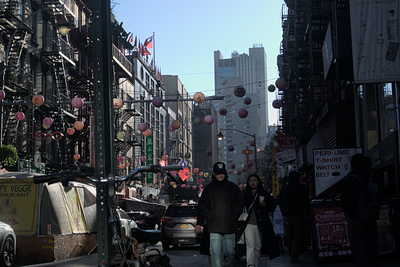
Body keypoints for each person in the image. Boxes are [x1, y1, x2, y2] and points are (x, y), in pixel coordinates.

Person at [195, 162, 244, 267]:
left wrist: (233, 216)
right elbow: (202, 206)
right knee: (215, 253)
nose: (220, 175)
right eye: (218, 173)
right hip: (214, 226)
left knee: (230, 253)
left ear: (225, 173)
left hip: (230, 226)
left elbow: (239, 204)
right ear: (213, 173)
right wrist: (201, 223)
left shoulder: (233, 188)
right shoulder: (208, 189)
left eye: (222, 173)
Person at [341, 153, 381, 267]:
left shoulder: (350, 179)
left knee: (359, 246)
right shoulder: (372, 177)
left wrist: (351, 213)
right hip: (372, 216)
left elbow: (345, 201)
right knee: (372, 244)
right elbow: (380, 196)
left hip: (356, 217)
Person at [237, 173, 280, 266]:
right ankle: (250, 264)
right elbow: (238, 206)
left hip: (261, 224)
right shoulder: (244, 194)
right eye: (250, 181)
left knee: (258, 245)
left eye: (254, 180)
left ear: (258, 182)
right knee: (250, 244)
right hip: (248, 223)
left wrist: (265, 205)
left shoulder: (264, 194)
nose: (252, 183)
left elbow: (272, 206)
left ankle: (255, 263)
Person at [278, 171, 308, 262]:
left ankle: (291, 252)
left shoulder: (284, 189)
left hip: (287, 215)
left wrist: (283, 211)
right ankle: (294, 255)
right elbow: (305, 200)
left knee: (289, 234)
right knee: (296, 235)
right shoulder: (301, 188)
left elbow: (280, 201)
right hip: (298, 214)